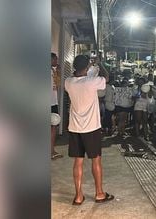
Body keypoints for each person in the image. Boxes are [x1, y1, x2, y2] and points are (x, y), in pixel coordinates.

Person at [64, 55, 114, 205]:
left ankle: (78, 196)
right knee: (96, 160)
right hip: (91, 128)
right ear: (87, 67)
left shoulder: (68, 82)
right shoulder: (92, 82)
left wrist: (88, 65)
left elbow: (78, 76)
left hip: (74, 128)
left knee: (78, 162)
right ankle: (99, 193)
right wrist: (100, 64)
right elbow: (106, 77)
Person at [51, 53, 63, 160]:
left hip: (53, 102)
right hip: (51, 103)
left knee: (53, 126)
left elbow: (57, 84)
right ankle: (51, 151)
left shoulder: (53, 71)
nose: (57, 62)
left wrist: (57, 71)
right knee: (53, 127)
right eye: (55, 60)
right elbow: (58, 83)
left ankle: (51, 151)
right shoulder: (51, 72)